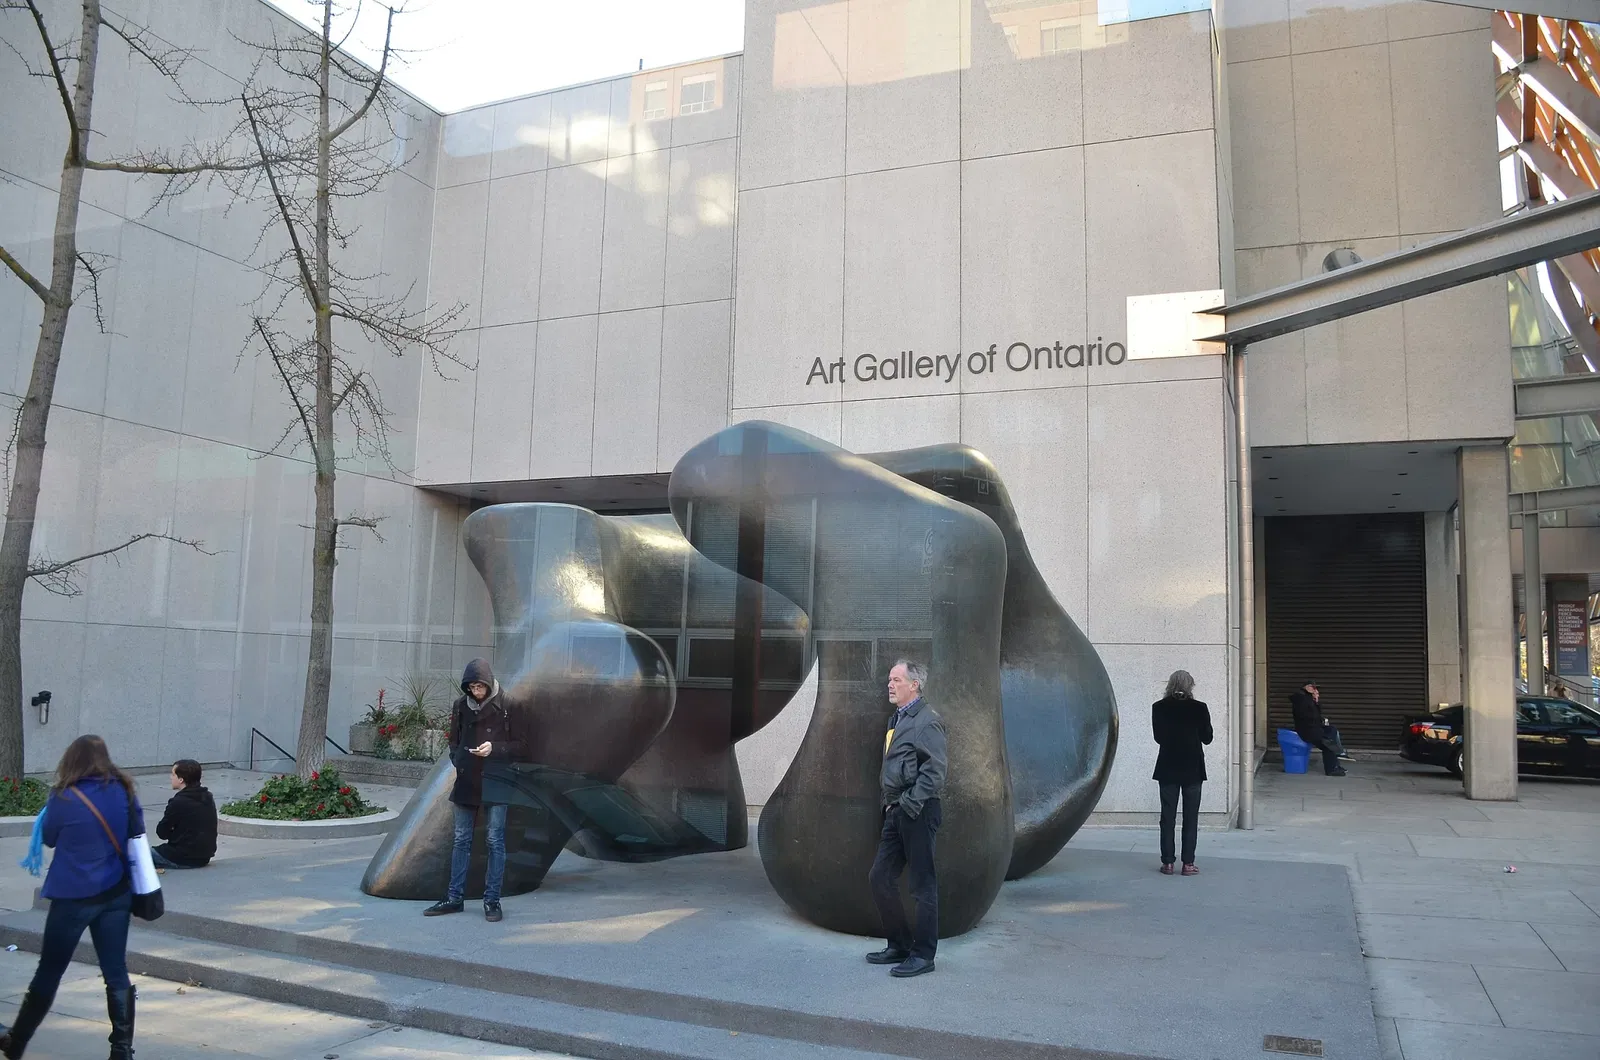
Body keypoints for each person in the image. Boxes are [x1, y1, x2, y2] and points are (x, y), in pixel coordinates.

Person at [0, 735, 141, 1059]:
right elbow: (136, 831)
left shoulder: (63, 796)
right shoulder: (125, 790)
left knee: (49, 971)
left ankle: (17, 1042)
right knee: (116, 972)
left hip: (73, 896)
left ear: (72, 760)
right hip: (116, 893)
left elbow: (49, 838)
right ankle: (121, 1051)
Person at [424, 658, 527, 922]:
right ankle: (454, 897)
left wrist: (495, 748)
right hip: (468, 778)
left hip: (497, 778)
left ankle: (492, 900)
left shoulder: (509, 705)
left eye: (480, 687)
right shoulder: (461, 706)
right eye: (471, 687)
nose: (476, 692)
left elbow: (522, 745)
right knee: (461, 839)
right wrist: (458, 759)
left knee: (495, 840)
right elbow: (453, 740)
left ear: (489, 683)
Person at [866, 659, 947, 979]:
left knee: (922, 885)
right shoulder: (898, 720)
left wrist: (910, 804)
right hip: (897, 810)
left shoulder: (927, 721)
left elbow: (936, 771)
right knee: (879, 877)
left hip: (918, 811)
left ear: (914, 685)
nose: (890, 684)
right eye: (890, 679)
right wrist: (890, 806)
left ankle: (924, 955)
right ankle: (899, 944)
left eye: (896, 679)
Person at [1152, 670, 1212, 876]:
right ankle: (1188, 864)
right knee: (1190, 817)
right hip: (1193, 768)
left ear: (1169, 684)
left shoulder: (1158, 708)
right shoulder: (1199, 708)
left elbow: (1158, 737)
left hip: (1167, 767)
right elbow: (1207, 738)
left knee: (1167, 817)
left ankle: (1168, 863)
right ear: (1190, 686)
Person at [150, 759, 217, 870]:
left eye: (173, 774)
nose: (170, 777)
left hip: (182, 857)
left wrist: (174, 834)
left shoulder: (178, 802)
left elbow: (161, 832)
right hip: (204, 856)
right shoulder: (207, 796)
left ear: (181, 779)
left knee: (139, 856)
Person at [1290, 680, 1347, 776]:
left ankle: (1338, 757)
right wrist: (1315, 703)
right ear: (1306, 687)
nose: (1315, 690)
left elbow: (1315, 716)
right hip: (1307, 731)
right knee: (1328, 744)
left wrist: (1316, 703)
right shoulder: (1302, 700)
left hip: (1313, 728)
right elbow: (1310, 717)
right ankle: (1332, 768)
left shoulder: (1307, 700)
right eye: (1313, 688)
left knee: (1332, 730)